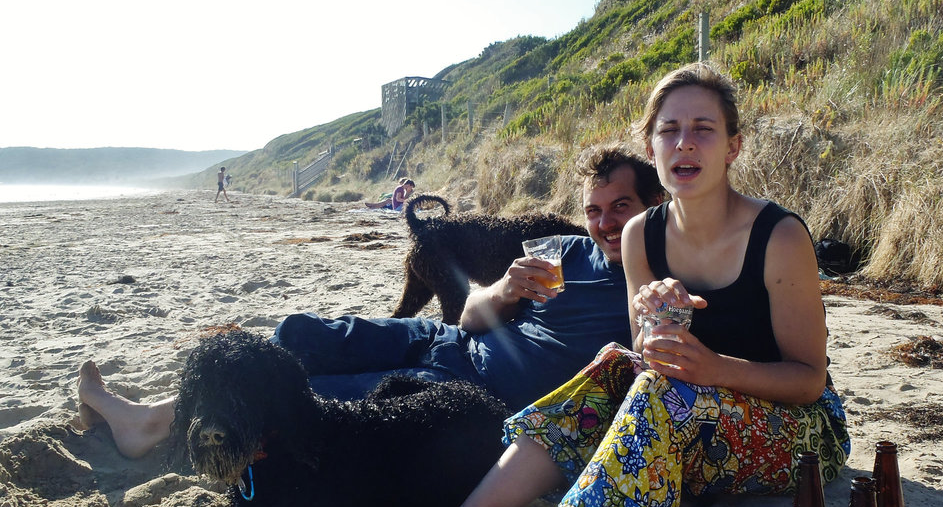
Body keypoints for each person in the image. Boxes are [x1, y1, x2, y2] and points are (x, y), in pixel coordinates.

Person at [431, 62, 851, 507]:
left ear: (733, 147)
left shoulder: (779, 236)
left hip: (802, 432)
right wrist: (659, 322)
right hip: (697, 408)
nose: (685, 143)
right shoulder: (641, 236)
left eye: (704, 129)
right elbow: (646, 359)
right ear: (651, 149)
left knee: (661, 394)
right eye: (669, 130)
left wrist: (713, 368)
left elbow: (810, 382)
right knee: (614, 363)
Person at [77, 145, 665, 459]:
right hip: (448, 342)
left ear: (654, 205)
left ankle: (150, 423)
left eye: (620, 207)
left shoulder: (658, 280)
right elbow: (466, 317)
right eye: (594, 209)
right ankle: (156, 412)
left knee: (303, 402)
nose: (605, 223)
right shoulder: (563, 248)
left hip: (466, 392)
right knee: (297, 334)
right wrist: (502, 290)